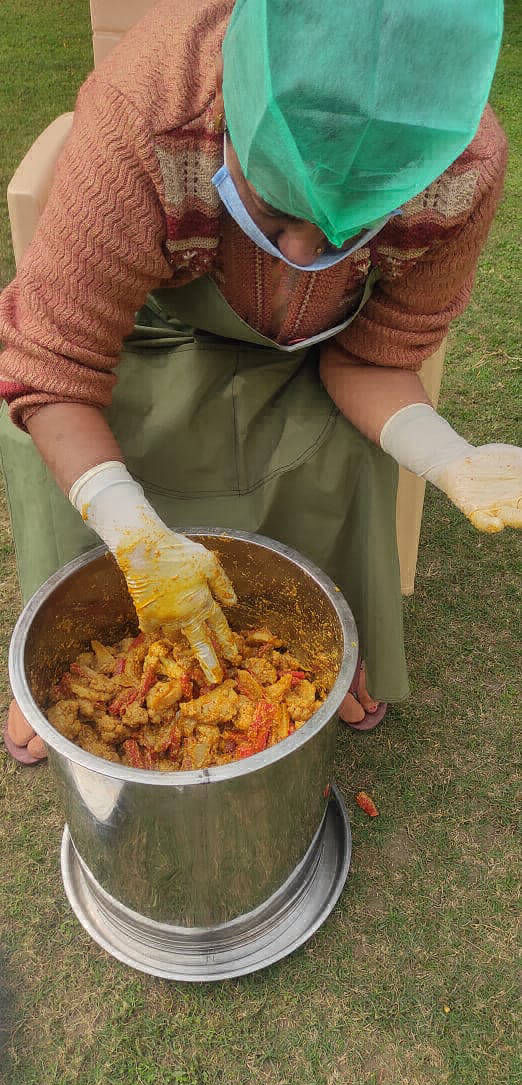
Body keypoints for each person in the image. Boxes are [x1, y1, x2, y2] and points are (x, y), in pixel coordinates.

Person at [0, 0, 520, 764]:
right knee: (71, 460)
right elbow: (54, 367)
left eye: (350, 227)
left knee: (338, 457)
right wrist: (132, 530)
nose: (303, 250)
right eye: (276, 213)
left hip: (314, 357)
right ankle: (75, 660)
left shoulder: (462, 168)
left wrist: (446, 455)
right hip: (143, 339)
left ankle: (311, 648)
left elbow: (371, 358)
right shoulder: (146, 112)